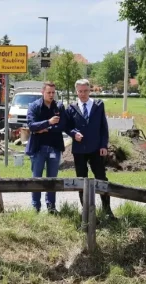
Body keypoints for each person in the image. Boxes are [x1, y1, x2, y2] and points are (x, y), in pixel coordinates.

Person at [64, 79, 114, 218]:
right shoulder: (71, 107)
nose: (83, 94)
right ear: (76, 91)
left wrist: (104, 145)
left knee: (101, 178)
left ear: (89, 90)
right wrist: (74, 134)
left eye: (85, 91)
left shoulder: (98, 105)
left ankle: (107, 210)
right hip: (79, 150)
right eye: (80, 91)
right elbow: (67, 127)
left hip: (96, 149)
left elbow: (103, 127)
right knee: (81, 180)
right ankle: (86, 212)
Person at [25, 81, 66, 213]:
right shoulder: (34, 106)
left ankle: (51, 206)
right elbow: (31, 125)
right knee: (37, 178)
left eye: (53, 92)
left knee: (52, 179)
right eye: (49, 92)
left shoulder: (59, 107)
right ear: (42, 92)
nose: (51, 95)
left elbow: (62, 126)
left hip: (54, 146)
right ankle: (35, 206)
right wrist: (48, 122)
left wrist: (43, 128)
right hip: (38, 148)